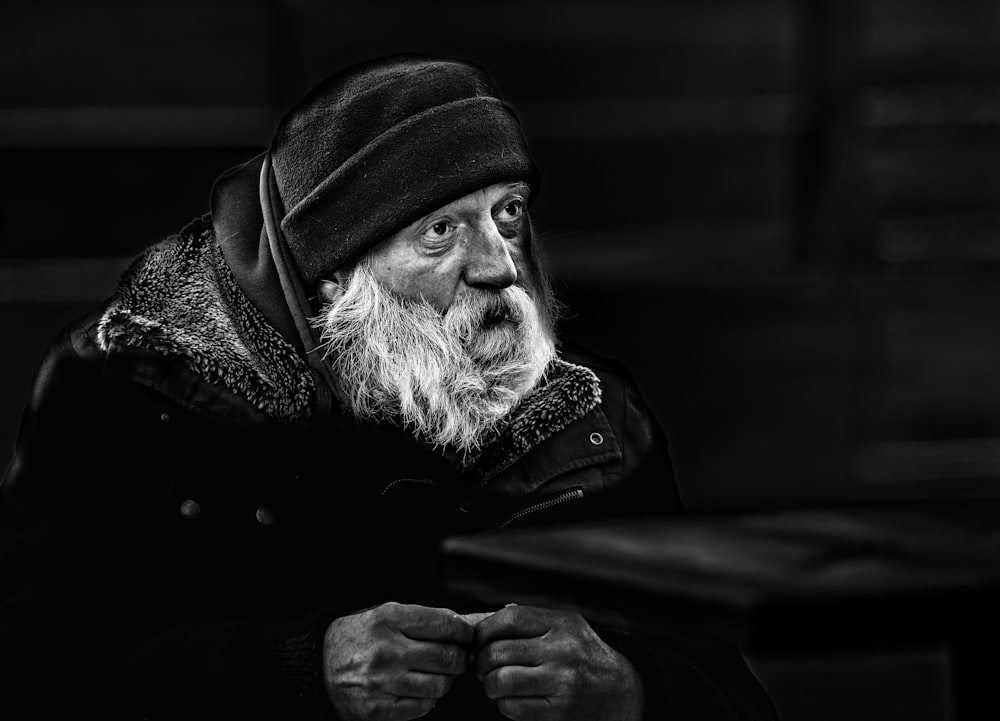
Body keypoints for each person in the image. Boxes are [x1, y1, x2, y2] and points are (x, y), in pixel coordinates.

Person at [0, 54, 776, 720]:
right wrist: (300, 675)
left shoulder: (593, 418)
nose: (499, 265)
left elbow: (736, 703)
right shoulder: (128, 396)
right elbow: (32, 683)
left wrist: (631, 693)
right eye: (440, 230)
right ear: (335, 272)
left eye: (506, 213)